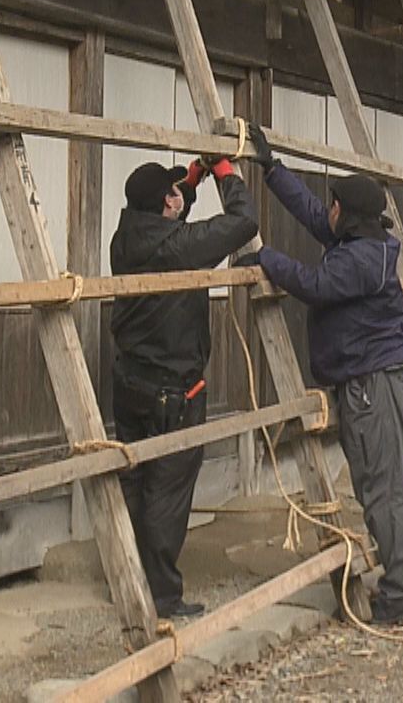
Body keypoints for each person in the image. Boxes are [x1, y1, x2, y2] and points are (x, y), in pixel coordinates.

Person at [242, 124, 403, 626]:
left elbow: (315, 285)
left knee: (383, 489)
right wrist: (272, 170)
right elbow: (316, 216)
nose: (327, 210)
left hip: (371, 384)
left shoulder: (361, 258)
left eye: (334, 204)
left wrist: (265, 257)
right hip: (386, 376)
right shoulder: (365, 240)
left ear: (350, 213)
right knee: (402, 484)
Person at [109, 152, 258, 618]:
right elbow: (244, 221)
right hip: (173, 391)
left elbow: (174, 221)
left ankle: (128, 577)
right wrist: (226, 174)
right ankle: (162, 598)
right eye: (174, 193)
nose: (180, 198)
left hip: (130, 383)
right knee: (166, 493)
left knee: (135, 483)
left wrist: (192, 178)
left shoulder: (126, 236)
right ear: (164, 206)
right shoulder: (177, 247)